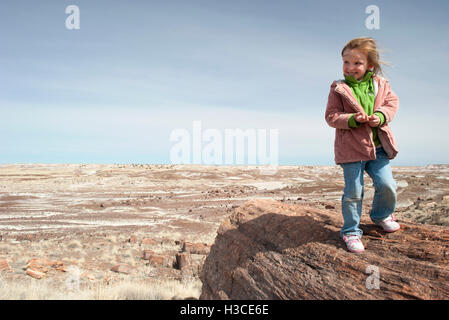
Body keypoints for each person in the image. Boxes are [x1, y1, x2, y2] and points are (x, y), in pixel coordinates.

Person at [325, 37, 400, 253]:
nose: (350, 68)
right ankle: (350, 231)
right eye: (346, 62)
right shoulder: (338, 88)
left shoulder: (381, 85)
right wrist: (351, 120)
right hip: (351, 149)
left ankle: (382, 214)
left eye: (356, 63)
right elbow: (331, 117)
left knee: (387, 184)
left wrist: (380, 116)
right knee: (354, 192)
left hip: (378, 147)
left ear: (369, 65)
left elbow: (392, 104)